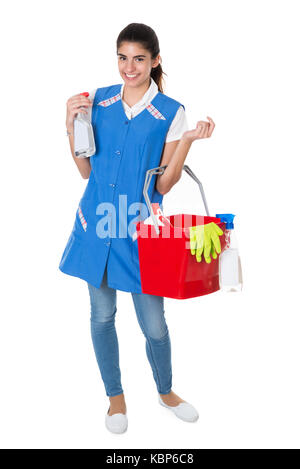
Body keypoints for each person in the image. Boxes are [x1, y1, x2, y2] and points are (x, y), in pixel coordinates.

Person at [59, 23, 215, 434]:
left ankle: (165, 393)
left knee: (154, 324)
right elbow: (84, 169)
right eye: (123, 57)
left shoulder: (171, 112)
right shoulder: (98, 100)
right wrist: (68, 123)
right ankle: (115, 399)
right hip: (97, 225)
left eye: (139, 59)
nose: (130, 67)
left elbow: (164, 185)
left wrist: (187, 142)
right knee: (101, 315)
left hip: (144, 233)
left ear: (155, 60)